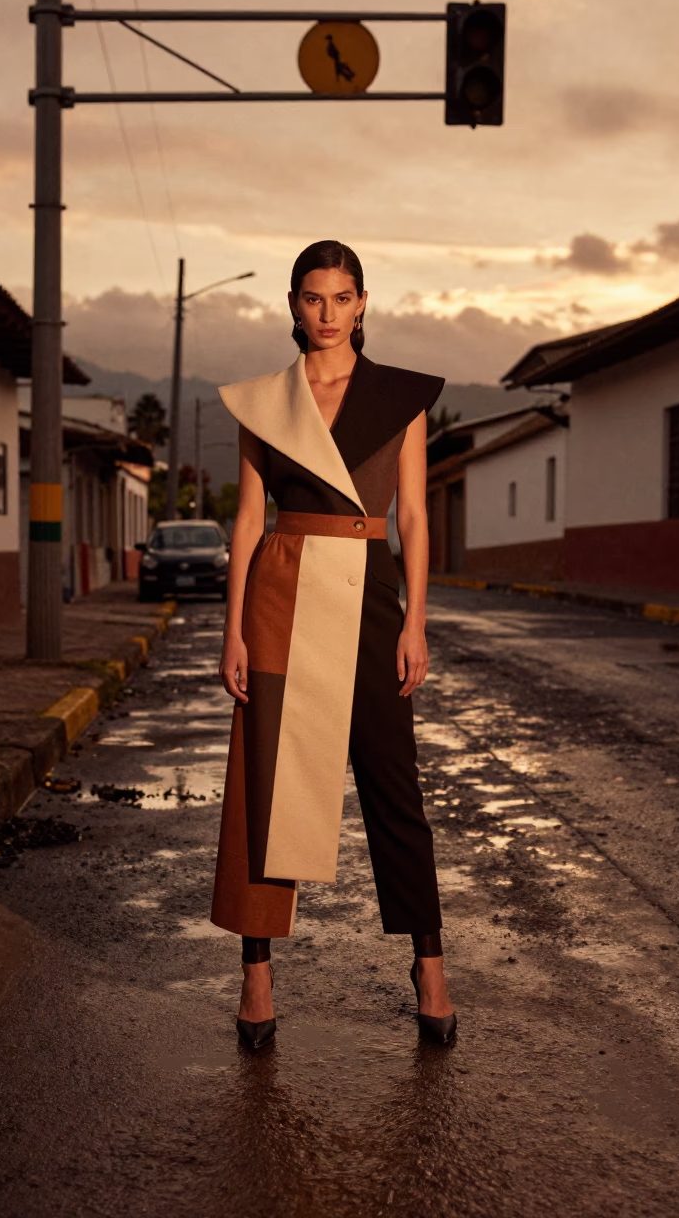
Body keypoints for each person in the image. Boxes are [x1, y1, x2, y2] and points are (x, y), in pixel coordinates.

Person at [212, 240, 456, 1049]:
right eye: (312, 298)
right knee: (266, 786)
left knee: (394, 782)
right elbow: (250, 519)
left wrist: (416, 620)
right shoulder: (266, 401)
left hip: (370, 596)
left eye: (341, 297)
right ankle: (256, 974)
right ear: (292, 304)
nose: (326, 313)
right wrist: (233, 627)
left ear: (361, 303)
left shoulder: (399, 398)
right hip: (281, 593)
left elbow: (412, 518)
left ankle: (430, 964)